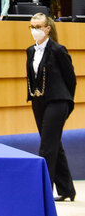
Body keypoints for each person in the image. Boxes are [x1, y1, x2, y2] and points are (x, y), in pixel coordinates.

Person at [26, 13, 76, 202]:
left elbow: (70, 78)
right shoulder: (30, 51)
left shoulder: (58, 50)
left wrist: (67, 101)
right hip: (39, 101)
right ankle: (67, 189)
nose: (34, 30)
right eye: (32, 26)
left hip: (58, 101)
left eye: (38, 26)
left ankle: (42, 191)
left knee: (47, 146)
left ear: (48, 29)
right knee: (54, 143)